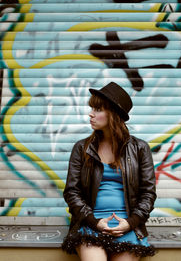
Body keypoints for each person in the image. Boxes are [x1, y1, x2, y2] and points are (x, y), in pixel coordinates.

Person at [62, 82, 157, 261]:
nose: (91, 114)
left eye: (97, 109)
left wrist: (130, 223)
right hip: (90, 225)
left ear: (113, 114)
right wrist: (93, 221)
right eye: (92, 108)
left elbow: (148, 194)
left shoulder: (140, 148)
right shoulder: (82, 148)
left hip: (128, 227)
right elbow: (71, 192)